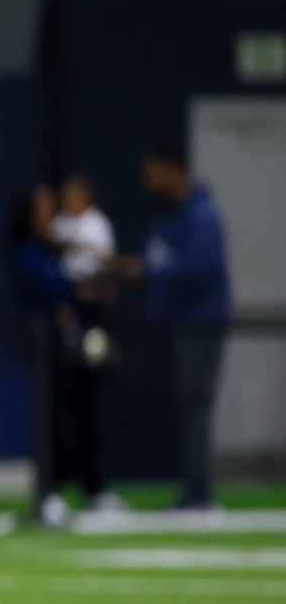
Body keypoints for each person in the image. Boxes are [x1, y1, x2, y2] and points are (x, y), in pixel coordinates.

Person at [118, 147, 232, 510]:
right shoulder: (170, 217)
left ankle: (199, 493)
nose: (148, 181)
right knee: (189, 408)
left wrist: (149, 272)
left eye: (153, 172)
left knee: (196, 405)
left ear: (173, 171)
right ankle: (193, 489)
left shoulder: (201, 216)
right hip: (181, 323)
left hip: (202, 324)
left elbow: (198, 270)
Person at [11, 184, 121, 526]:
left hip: (74, 345)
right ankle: (49, 493)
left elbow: (86, 287)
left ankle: (94, 490)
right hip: (47, 350)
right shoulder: (29, 255)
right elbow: (52, 296)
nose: (49, 218)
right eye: (41, 211)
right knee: (53, 424)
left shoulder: (60, 252)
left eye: (51, 210)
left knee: (85, 414)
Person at [50, 175, 116, 286]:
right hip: (64, 283)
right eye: (68, 195)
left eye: (75, 195)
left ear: (85, 196)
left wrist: (85, 248)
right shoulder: (60, 220)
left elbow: (110, 257)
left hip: (93, 283)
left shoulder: (98, 220)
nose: (71, 199)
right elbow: (51, 246)